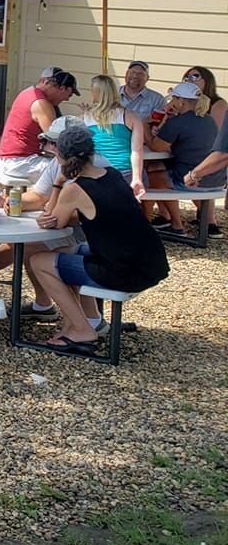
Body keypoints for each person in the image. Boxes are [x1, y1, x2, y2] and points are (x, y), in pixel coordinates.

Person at [28, 125, 169, 350]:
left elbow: (53, 220)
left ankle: (82, 329)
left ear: (60, 157)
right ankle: (79, 321)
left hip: (123, 272)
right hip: (151, 263)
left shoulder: (74, 189)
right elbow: (95, 213)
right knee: (61, 253)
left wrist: (58, 183)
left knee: (39, 262)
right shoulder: (112, 175)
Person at [0, 115, 92, 318]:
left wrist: (56, 212)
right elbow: (39, 196)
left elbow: (82, 215)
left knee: (27, 250)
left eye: (54, 143)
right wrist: (16, 201)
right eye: (50, 143)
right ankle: (47, 306)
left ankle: (81, 319)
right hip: (67, 230)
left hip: (89, 238)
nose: (51, 148)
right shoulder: (59, 163)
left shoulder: (91, 168)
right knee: (23, 245)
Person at [148, 81, 223, 236]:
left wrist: (143, 125)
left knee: (151, 178)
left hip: (194, 181)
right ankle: (208, 223)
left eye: (174, 99)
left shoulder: (177, 122)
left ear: (181, 101)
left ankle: (176, 225)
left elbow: (156, 147)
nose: (171, 102)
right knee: (159, 169)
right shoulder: (209, 120)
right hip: (218, 180)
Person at [0, 68, 79, 186]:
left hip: (11, 160)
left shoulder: (27, 93)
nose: (67, 99)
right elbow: (57, 141)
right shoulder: (41, 104)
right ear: (62, 88)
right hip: (21, 162)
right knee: (74, 174)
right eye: (69, 95)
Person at [83, 73, 146, 197]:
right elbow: (137, 149)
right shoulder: (130, 116)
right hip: (125, 172)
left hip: (97, 172)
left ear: (94, 93)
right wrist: (137, 178)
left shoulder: (84, 118)